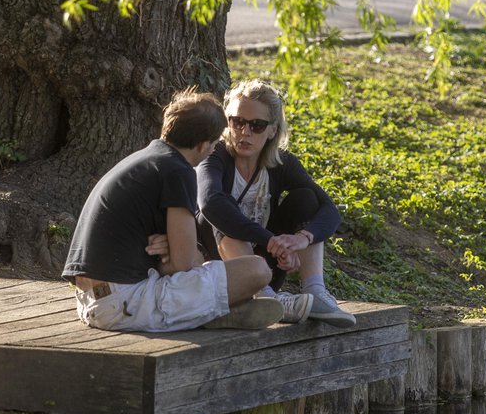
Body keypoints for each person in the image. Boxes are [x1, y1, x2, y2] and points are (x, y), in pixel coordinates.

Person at [62, 89, 283, 333]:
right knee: (258, 270)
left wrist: (172, 250)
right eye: (214, 144)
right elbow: (186, 264)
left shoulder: (147, 158)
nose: (214, 150)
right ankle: (207, 313)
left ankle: (204, 313)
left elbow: (171, 258)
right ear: (202, 145)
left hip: (91, 301)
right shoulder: (179, 171)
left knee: (210, 272)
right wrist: (187, 255)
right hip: (124, 303)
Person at [196, 79, 356, 328]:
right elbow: (209, 203)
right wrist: (271, 240)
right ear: (227, 122)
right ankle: (265, 298)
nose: (244, 133)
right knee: (221, 209)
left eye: (256, 126)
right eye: (237, 122)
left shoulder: (282, 163)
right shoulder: (215, 157)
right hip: (222, 270)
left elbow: (329, 210)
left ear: (272, 130)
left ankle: (315, 290)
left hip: (268, 265)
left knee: (306, 199)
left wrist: (298, 240)